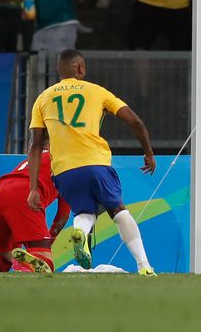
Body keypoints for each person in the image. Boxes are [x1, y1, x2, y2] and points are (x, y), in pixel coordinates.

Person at [27, 49, 157, 276]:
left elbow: (36, 144)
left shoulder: (43, 98)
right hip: (95, 162)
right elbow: (135, 121)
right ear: (80, 68)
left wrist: (33, 187)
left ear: (59, 70)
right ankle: (144, 265)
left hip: (64, 170)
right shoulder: (97, 92)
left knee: (84, 211)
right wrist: (148, 152)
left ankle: (80, 233)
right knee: (117, 210)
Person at [0, 149, 70, 274]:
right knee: (46, 265)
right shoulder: (70, 165)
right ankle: (35, 258)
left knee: (3, 262)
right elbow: (61, 218)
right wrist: (46, 244)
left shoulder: (41, 154)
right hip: (23, 194)